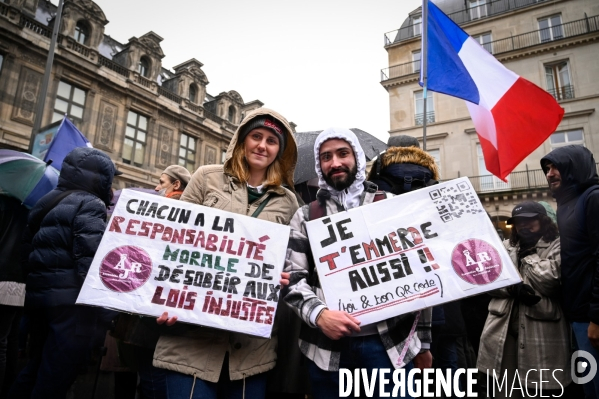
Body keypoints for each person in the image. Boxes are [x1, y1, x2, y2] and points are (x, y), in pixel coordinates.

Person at [152, 108, 299, 399]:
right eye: (256, 136)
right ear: (242, 140)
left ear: (279, 151)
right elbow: (172, 244)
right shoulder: (206, 178)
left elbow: (291, 262)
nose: (262, 145)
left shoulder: (289, 201)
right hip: (190, 341)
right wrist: (163, 300)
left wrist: (286, 276)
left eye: (272, 141)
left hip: (251, 351)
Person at [282, 127, 432, 399]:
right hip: (326, 353)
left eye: (343, 153)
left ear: (357, 159)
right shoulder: (305, 216)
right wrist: (319, 314)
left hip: (390, 348)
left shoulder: (390, 206)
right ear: (319, 164)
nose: (335, 163)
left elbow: (421, 274)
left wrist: (423, 342)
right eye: (326, 157)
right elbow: (292, 278)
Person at [8, 147, 120, 399]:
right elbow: (90, 263)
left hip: (40, 300)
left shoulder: (46, 201)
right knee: (55, 378)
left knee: (34, 369)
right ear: (100, 177)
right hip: (71, 307)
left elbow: (26, 252)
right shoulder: (90, 203)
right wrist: (106, 312)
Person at [477, 201, 570, 398]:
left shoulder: (558, 245)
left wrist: (530, 257)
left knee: (539, 389)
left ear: (543, 220)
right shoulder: (505, 247)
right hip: (502, 332)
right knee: (504, 390)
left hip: (542, 332)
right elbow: (487, 280)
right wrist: (511, 288)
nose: (523, 225)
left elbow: (552, 281)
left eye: (529, 220)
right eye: (518, 222)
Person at [541, 145, 599, 397]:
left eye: (556, 167)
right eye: (547, 169)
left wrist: (597, 318)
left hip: (591, 318)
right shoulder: (567, 204)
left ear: (574, 167)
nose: (549, 174)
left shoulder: (593, 198)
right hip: (577, 315)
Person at [0, 196, 29, 397]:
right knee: (10, 339)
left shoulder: (3, 204)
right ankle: (7, 388)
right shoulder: (31, 209)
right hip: (19, 280)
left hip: (2, 276)